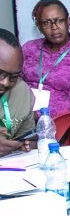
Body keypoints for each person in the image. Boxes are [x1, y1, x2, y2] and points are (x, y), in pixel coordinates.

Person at [20, 0, 70, 138]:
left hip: (58, 124)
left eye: (59, 21)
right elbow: (14, 82)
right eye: (46, 23)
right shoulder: (29, 48)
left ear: (68, 22)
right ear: (39, 26)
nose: (54, 27)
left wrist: (38, 115)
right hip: (21, 116)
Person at [0, 29, 37, 157]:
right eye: (0, 73)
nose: (5, 82)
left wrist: (28, 144)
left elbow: (29, 137)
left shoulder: (22, 92)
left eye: (13, 76)